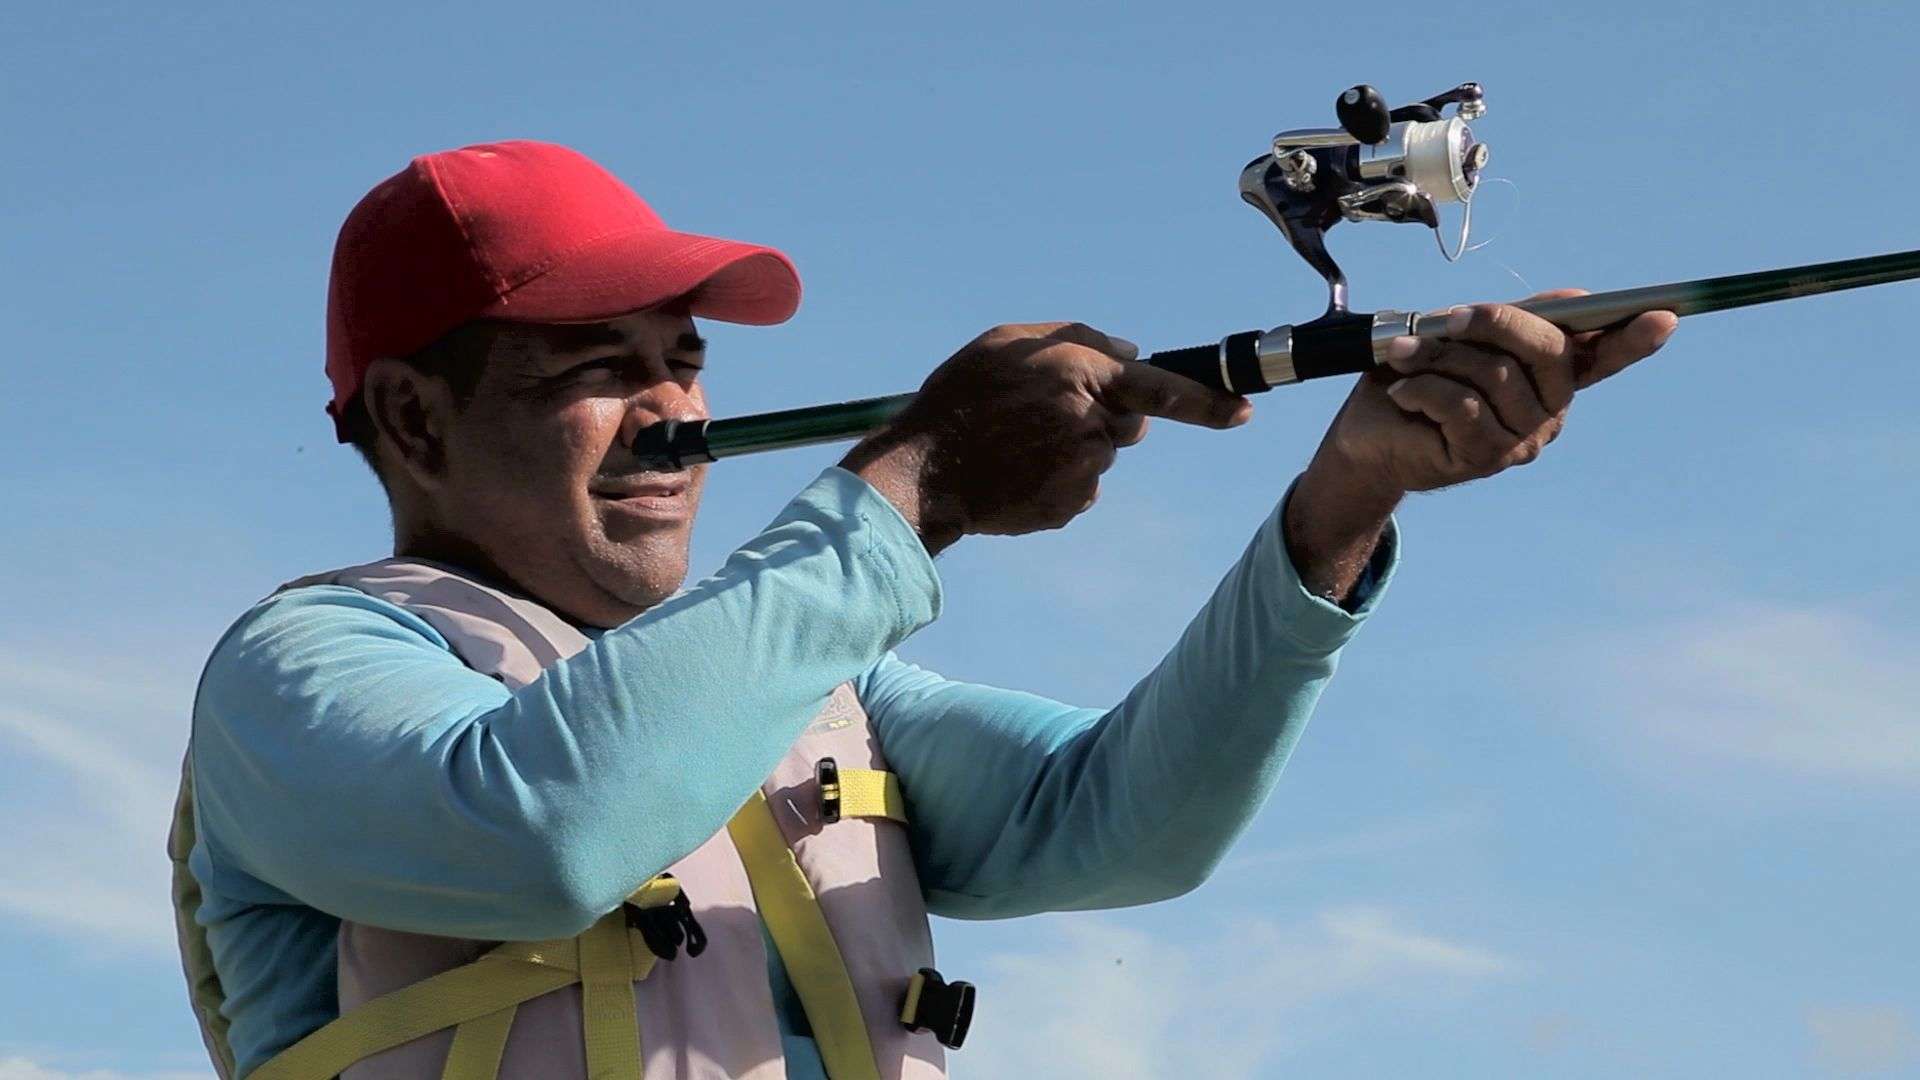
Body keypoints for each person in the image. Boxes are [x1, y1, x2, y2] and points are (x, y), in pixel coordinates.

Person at [168, 140, 1676, 1080]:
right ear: (416, 423)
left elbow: (1128, 823)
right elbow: (541, 834)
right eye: (595, 371)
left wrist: (1344, 501)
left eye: (682, 359)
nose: (673, 410)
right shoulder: (299, 669)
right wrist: (919, 480)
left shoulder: (809, 691)